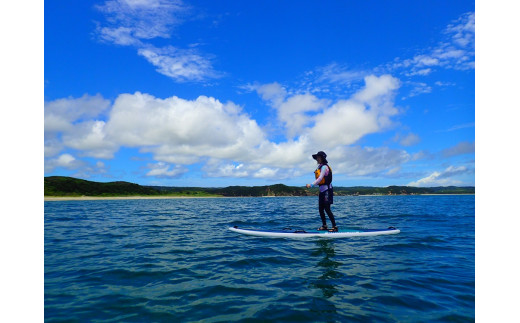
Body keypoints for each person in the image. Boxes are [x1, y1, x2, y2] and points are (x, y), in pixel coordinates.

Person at [306, 151, 338, 232]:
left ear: (322, 158)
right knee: (320, 209)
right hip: (322, 191)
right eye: (317, 157)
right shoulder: (319, 167)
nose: (317, 159)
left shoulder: (324, 167)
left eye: (319, 157)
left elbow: (320, 178)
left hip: (327, 190)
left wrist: (311, 185)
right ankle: (324, 225)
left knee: (327, 209)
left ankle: (334, 227)